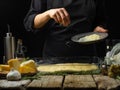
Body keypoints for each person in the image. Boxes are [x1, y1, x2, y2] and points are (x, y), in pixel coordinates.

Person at [24, 0, 108, 63]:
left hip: (87, 58)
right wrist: (48, 14)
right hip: (54, 58)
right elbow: (30, 22)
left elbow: (100, 20)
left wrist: (98, 29)